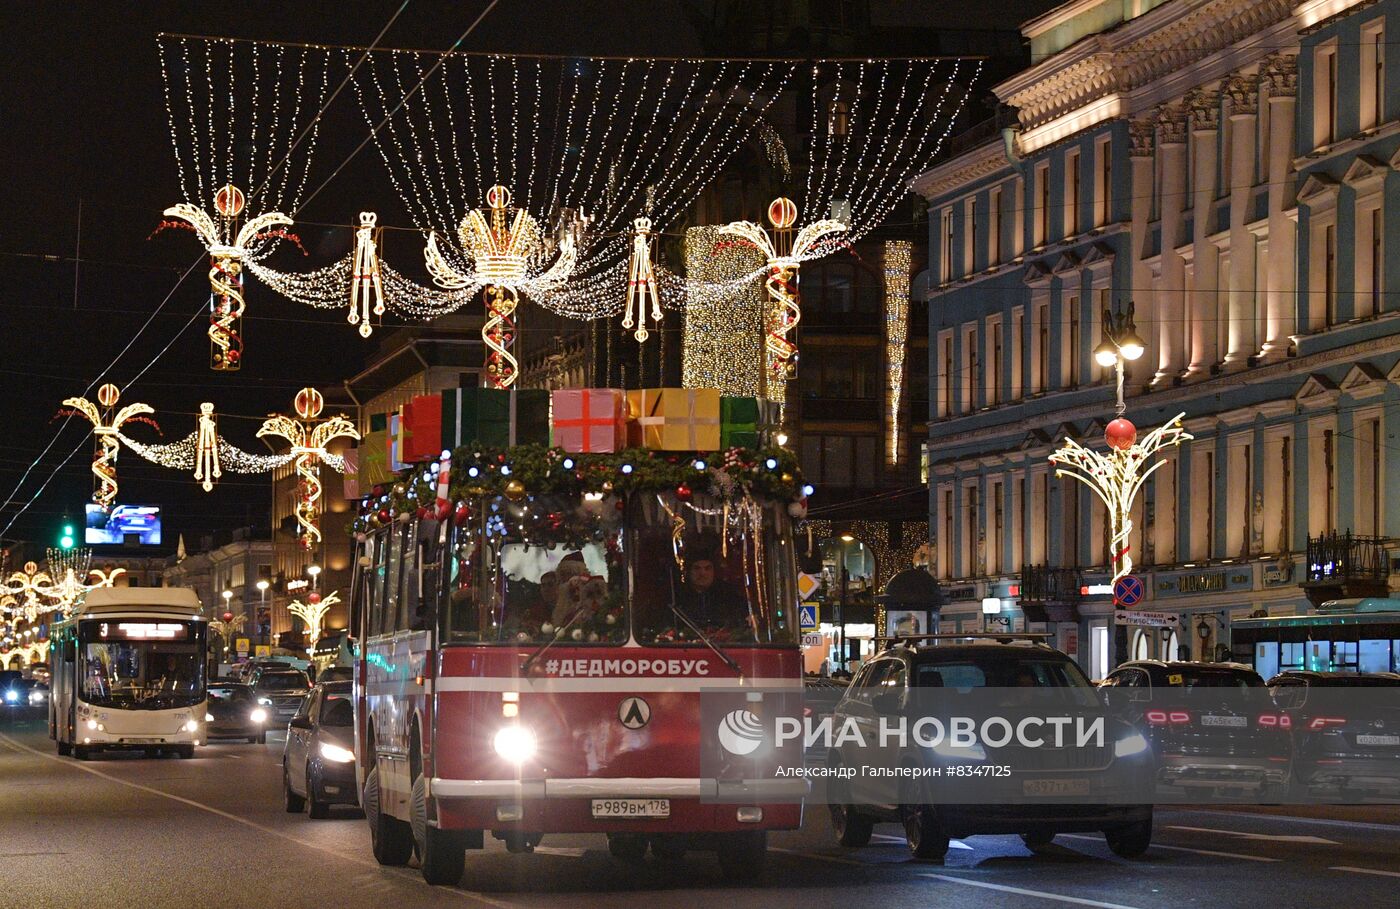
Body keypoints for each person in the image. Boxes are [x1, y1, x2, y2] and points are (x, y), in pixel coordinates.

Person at [675, 553, 748, 629]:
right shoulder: (678, 595)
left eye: (707, 568)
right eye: (697, 568)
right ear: (688, 572)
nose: (702, 573)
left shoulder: (727, 593)